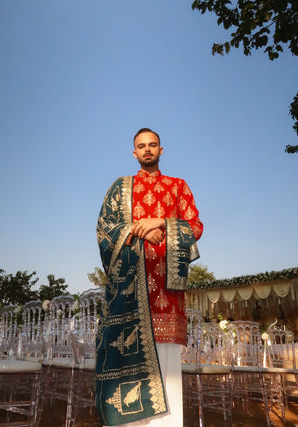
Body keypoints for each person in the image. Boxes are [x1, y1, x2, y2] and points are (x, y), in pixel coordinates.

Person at [96, 128, 203, 426]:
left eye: (152, 145)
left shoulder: (178, 187)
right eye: (141, 146)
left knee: (167, 372)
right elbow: (105, 228)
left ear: (161, 150)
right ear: (134, 153)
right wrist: (137, 229)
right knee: (130, 367)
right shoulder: (121, 187)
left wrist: (162, 223)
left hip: (167, 297)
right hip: (129, 295)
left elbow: (194, 226)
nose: (147, 150)